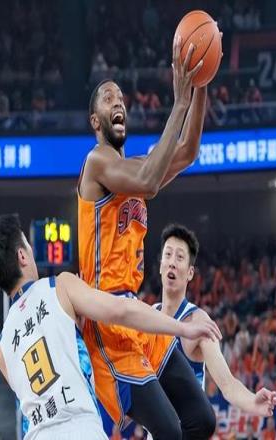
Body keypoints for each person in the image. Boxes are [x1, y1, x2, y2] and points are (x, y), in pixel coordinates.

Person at [78, 35, 221, 439]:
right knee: (171, 430)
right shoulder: (97, 163)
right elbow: (149, 182)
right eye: (108, 98)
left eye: (121, 98)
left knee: (202, 419)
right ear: (95, 121)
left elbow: (188, 151)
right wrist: (179, 102)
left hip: (136, 311)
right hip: (107, 317)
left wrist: (200, 82)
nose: (118, 102)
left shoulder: (139, 166)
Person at [0, 214, 220, 440]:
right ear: (22, 256)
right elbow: (122, 310)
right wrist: (181, 328)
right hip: (80, 428)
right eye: (28, 246)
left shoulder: (1, 349)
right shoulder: (59, 287)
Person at [155, 224, 276, 415]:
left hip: (187, 428)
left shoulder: (198, 321)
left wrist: (252, 402)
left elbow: (227, 385)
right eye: (168, 254)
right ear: (161, 265)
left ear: (190, 273)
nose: (172, 262)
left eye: (179, 257)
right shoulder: (148, 316)